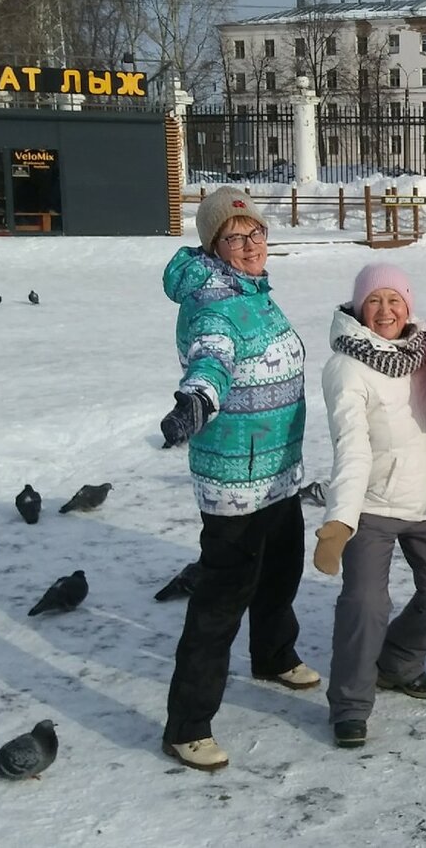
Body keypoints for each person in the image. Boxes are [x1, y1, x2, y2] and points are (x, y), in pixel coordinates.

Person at [159, 187, 313, 772]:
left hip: (276, 468)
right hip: (236, 478)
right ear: (214, 245)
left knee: (280, 571)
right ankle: (187, 724)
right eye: (235, 236)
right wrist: (198, 400)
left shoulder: (254, 290)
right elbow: (212, 358)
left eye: (256, 233)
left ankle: (274, 655)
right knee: (222, 599)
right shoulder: (213, 303)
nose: (250, 245)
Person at [315, 262, 426, 749]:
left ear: (408, 307)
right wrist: (340, 519)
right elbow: (351, 447)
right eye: (374, 301)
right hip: (372, 505)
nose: (385, 311)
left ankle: (398, 663)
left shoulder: (424, 355)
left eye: (394, 300)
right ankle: (350, 706)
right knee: (365, 604)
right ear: (359, 306)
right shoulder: (345, 367)